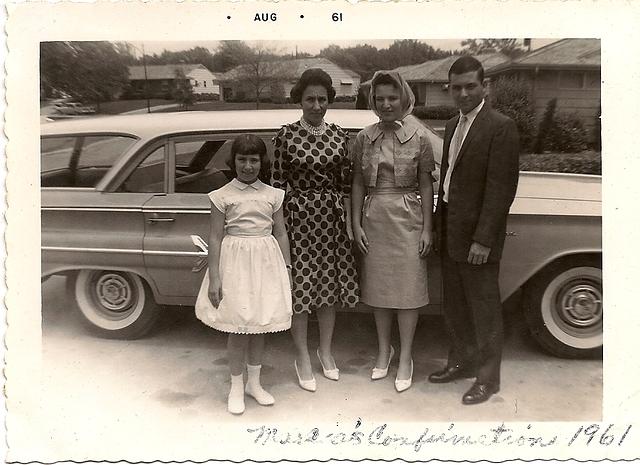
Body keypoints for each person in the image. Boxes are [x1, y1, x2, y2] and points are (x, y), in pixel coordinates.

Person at [429, 56, 520, 405]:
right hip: (452, 230)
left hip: (478, 239)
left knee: (483, 309)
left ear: (485, 86)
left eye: (470, 86)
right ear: (449, 89)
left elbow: (501, 190)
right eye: (457, 87)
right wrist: (440, 228)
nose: (463, 93)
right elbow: (449, 181)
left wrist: (483, 239)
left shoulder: (501, 126)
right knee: (455, 306)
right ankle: (461, 363)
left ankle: (488, 379)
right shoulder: (453, 125)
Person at [271, 68, 359, 391]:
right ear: (300, 100)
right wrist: (279, 231)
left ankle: (325, 350)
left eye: (323, 99)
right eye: (310, 99)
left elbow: (346, 186)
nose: (317, 105)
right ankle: (302, 356)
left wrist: (348, 224)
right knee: (301, 291)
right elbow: (277, 188)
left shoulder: (340, 136)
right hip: (298, 221)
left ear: (329, 101)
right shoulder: (285, 136)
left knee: (328, 290)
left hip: (332, 221)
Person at [195, 134, 293, 414]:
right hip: (234, 263)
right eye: (242, 160)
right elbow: (215, 238)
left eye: (253, 160)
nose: (248, 166)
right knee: (238, 326)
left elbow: (281, 232)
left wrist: (286, 268)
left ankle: (255, 383)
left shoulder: (273, 195)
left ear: (262, 162)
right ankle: (236, 386)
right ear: (233, 161)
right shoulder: (222, 196)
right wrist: (215, 278)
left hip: (264, 262)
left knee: (260, 323)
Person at [351, 71, 435, 393]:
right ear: (373, 101)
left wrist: (428, 228)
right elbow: (358, 182)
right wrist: (356, 223)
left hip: (408, 217)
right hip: (375, 216)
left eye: (392, 98)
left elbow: (426, 184)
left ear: (404, 99)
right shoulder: (364, 136)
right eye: (380, 98)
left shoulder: (419, 136)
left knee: (408, 291)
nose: (386, 104)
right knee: (380, 291)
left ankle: (406, 357)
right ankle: (384, 351)